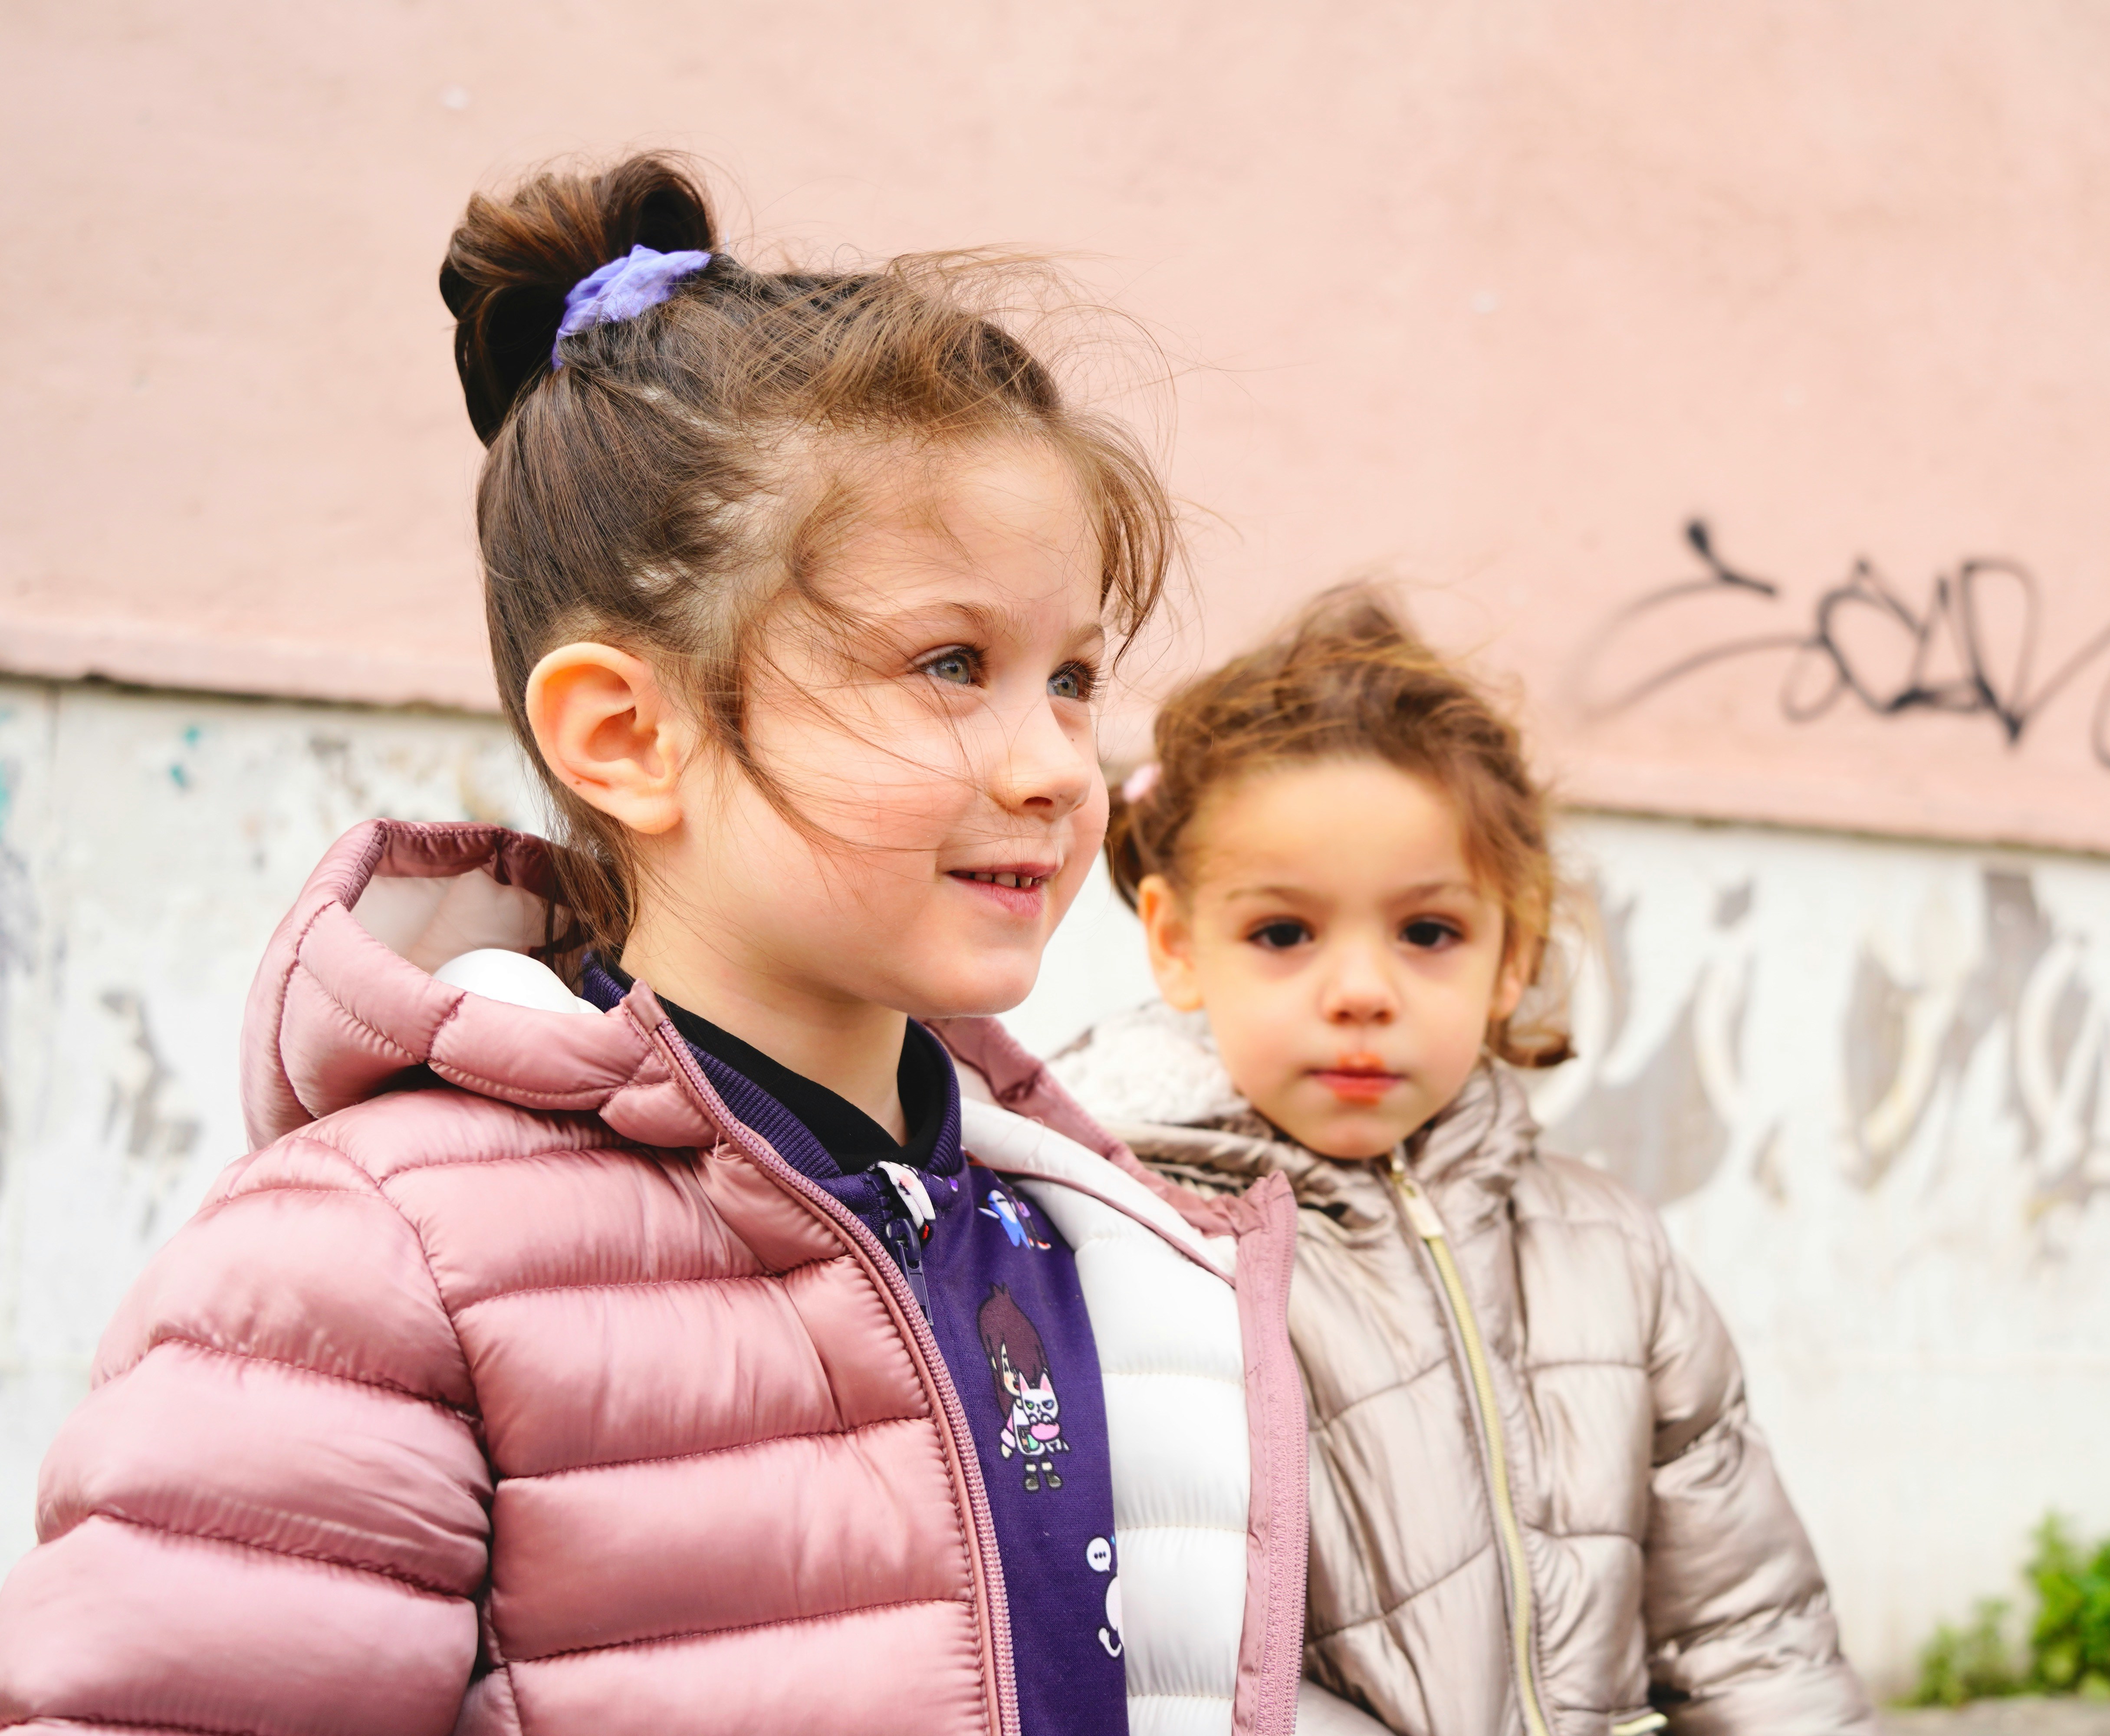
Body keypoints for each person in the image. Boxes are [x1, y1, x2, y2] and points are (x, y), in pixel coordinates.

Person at [0, 154, 1309, 1736]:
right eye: (953, 664)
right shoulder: (373, 1261)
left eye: (1076, 678)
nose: (1050, 765)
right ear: (628, 733)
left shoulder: (1091, 1231)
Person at [1052, 588, 1878, 1736]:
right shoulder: (1116, 1241)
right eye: (1284, 933)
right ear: (1178, 943)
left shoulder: (1611, 1253)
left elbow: (1748, 1633)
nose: (1359, 992)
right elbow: (1147, 1657)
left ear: (1509, 956)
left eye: (1427, 933)